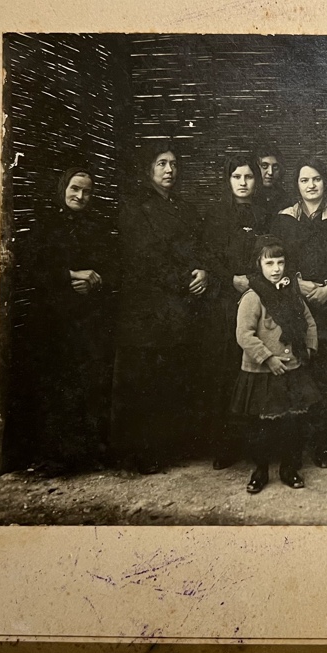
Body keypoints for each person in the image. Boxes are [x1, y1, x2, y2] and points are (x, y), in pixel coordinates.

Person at [111, 139, 211, 474]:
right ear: (148, 169)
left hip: (181, 305)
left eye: (173, 164)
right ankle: (144, 453)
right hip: (149, 307)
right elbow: (145, 257)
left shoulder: (184, 207)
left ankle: (172, 447)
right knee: (148, 381)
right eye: (162, 164)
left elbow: (200, 246)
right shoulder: (136, 207)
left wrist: (203, 271)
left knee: (174, 376)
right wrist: (184, 280)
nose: (169, 170)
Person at [7, 168, 116, 475]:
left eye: (87, 191)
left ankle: (84, 454)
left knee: (85, 384)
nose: (80, 196)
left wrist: (94, 281)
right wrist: (69, 275)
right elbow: (30, 266)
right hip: (51, 321)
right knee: (55, 386)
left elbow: (113, 267)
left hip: (87, 319)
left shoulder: (96, 228)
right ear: (63, 189)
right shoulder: (45, 225)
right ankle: (53, 457)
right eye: (75, 189)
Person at [270, 157, 327, 467]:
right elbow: (274, 259)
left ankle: (323, 442)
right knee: (297, 370)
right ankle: (295, 442)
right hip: (293, 303)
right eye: (304, 180)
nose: (311, 185)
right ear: (297, 185)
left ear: (325, 182)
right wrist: (296, 283)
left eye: (316, 179)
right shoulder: (283, 220)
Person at [231, 237, 320, 492]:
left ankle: (289, 468)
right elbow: (244, 334)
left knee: (292, 423)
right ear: (258, 264)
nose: (276, 269)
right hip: (263, 373)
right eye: (269, 263)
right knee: (262, 427)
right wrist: (268, 358)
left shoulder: (291, 293)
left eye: (280, 262)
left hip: (291, 369)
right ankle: (260, 471)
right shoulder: (252, 297)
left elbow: (309, 322)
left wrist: (308, 349)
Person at [201, 153, 270, 468]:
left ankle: (258, 445)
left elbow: (273, 254)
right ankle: (225, 445)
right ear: (228, 180)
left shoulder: (264, 214)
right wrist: (229, 279)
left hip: (258, 299)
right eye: (237, 177)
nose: (243, 183)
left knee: (255, 369)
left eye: (249, 176)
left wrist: (254, 282)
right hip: (224, 301)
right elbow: (208, 255)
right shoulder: (215, 215)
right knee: (226, 371)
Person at [255, 143, 295, 213]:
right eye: (264, 166)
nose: (270, 172)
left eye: (275, 167)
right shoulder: (247, 197)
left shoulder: (285, 199)